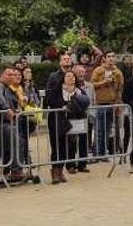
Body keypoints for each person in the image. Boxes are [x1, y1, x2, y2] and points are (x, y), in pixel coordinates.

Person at [45, 52, 75, 183]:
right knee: (56, 144)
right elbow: (50, 97)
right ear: (60, 62)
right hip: (56, 115)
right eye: (64, 59)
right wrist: (63, 81)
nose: (67, 60)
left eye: (69, 58)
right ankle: (54, 171)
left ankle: (61, 170)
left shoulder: (73, 76)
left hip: (69, 115)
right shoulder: (54, 77)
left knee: (67, 145)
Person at [91, 51, 124, 158]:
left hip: (112, 104)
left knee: (108, 130)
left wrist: (118, 104)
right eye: (108, 56)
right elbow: (92, 85)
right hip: (100, 104)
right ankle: (96, 154)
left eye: (113, 56)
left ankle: (103, 153)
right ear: (104, 58)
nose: (111, 58)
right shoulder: (98, 70)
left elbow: (120, 90)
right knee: (98, 130)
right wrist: (104, 82)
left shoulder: (118, 72)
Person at [66, 65, 94, 174]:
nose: (80, 74)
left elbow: (87, 101)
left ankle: (82, 164)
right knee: (71, 142)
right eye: (78, 72)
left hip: (82, 117)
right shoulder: (64, 89)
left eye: (82, 72)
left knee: (84, 141)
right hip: (71, 118)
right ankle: (71, 164)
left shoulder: (81, 89)